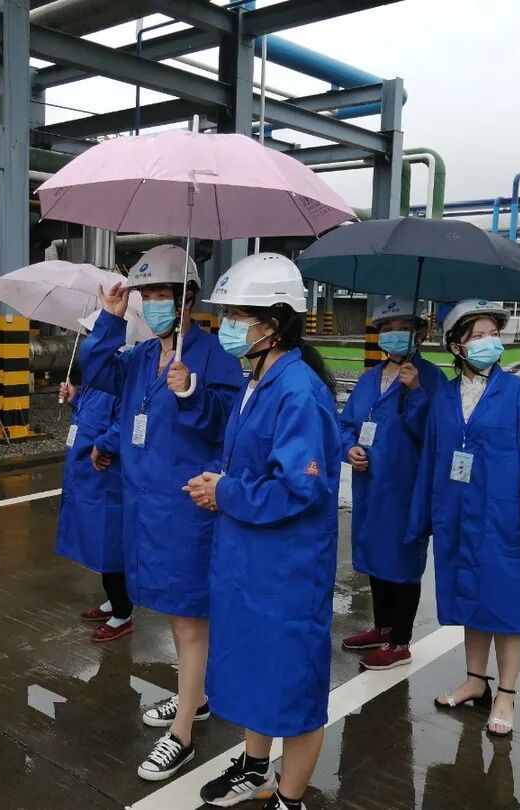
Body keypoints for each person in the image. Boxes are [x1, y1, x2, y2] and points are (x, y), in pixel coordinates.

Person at [79, 244, 244, 781]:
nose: (150, 304)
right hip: (145, 506)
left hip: (187, 508)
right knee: (176, 615)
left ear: (186, 298)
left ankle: (184, 734)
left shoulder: (213, 356)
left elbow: (230, 422)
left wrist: (192, 389)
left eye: (160, 294)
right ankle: (193, 695)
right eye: (144, 295)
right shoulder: (142, 356)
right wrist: (110, 317)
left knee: (190, 619)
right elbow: (96, 372)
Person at [185, 253, 341, 810]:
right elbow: (252, 465)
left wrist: (225, 491)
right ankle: (255, 769)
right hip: (250, 559)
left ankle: (289, 799)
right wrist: (220, 482)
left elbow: (301, 488)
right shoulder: (258, 379)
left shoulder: (299, 392)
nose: (225, 326)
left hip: (287, 570)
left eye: (235, 316)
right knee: (255, 671)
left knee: (292, 687)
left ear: (272, 325)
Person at [408, 299, 520, 737]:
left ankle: (506, 694)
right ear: (456, 346)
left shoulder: (518, 394)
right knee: (471, 599)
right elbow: (432, 458)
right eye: (479, 336)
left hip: (505, 519)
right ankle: (475, 681)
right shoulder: (443, 396)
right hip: (458, 516)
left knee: (507, 606)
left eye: (494, 334)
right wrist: (421, 519)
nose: (490, 342)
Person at [339, 296, 446, 670]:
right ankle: (382, 627)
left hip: (406, 489)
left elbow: (434, 434)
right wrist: (349, 448)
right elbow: (346, 424)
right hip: (370, 487)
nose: (395, 334)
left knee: (402, 560)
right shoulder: (370, 379)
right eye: (388, 328)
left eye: (403, 328)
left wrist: (415, 392)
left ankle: (400, 641)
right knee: (375, 554)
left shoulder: (430, 379)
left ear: (419, 333)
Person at [56, 310, 132, 643]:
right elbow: (91, 415)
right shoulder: (95, 378)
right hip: (88, 473)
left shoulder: (117, 377)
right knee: (97, 542)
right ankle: (113, 600)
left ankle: (123, 611)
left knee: (109, 543)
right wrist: (75, 399)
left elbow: (125, 420)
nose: (89, 341)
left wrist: (106, 444)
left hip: (106, 475)